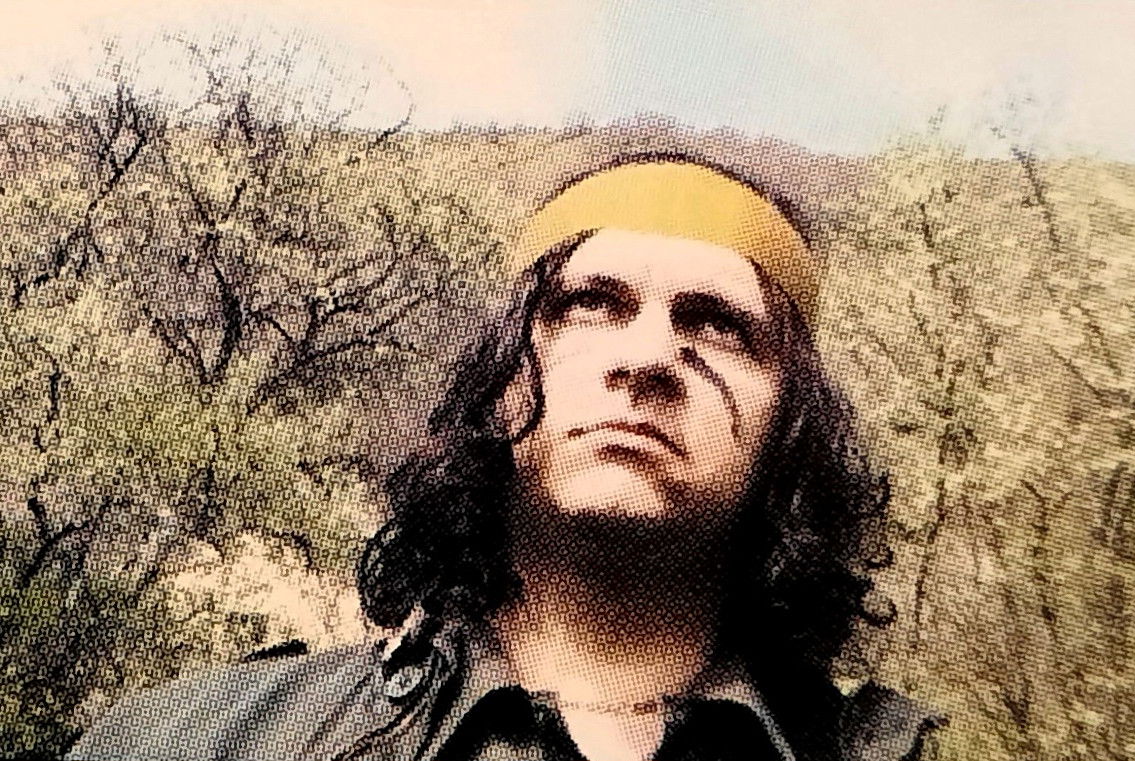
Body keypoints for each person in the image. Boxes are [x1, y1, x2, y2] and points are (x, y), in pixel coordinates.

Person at [67, 153, 948, 761]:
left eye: (717, 324)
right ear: (500, 380)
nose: (648, 356)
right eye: (589, 304)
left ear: (792, 425)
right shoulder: (200, 741)